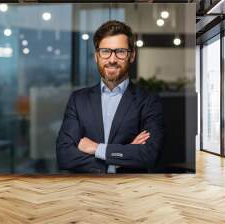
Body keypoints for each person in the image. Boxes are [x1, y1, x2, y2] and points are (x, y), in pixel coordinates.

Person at [56, 20, 164, 173]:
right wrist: (121, 158)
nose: (112, 59)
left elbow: (149, 155)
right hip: (85, 192)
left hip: (130, 192)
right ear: (96, 56)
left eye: (120, 52)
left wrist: (96, 149)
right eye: (105, 51)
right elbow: (64, 155)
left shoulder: (148, 101)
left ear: (132, 55)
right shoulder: (78, 100)